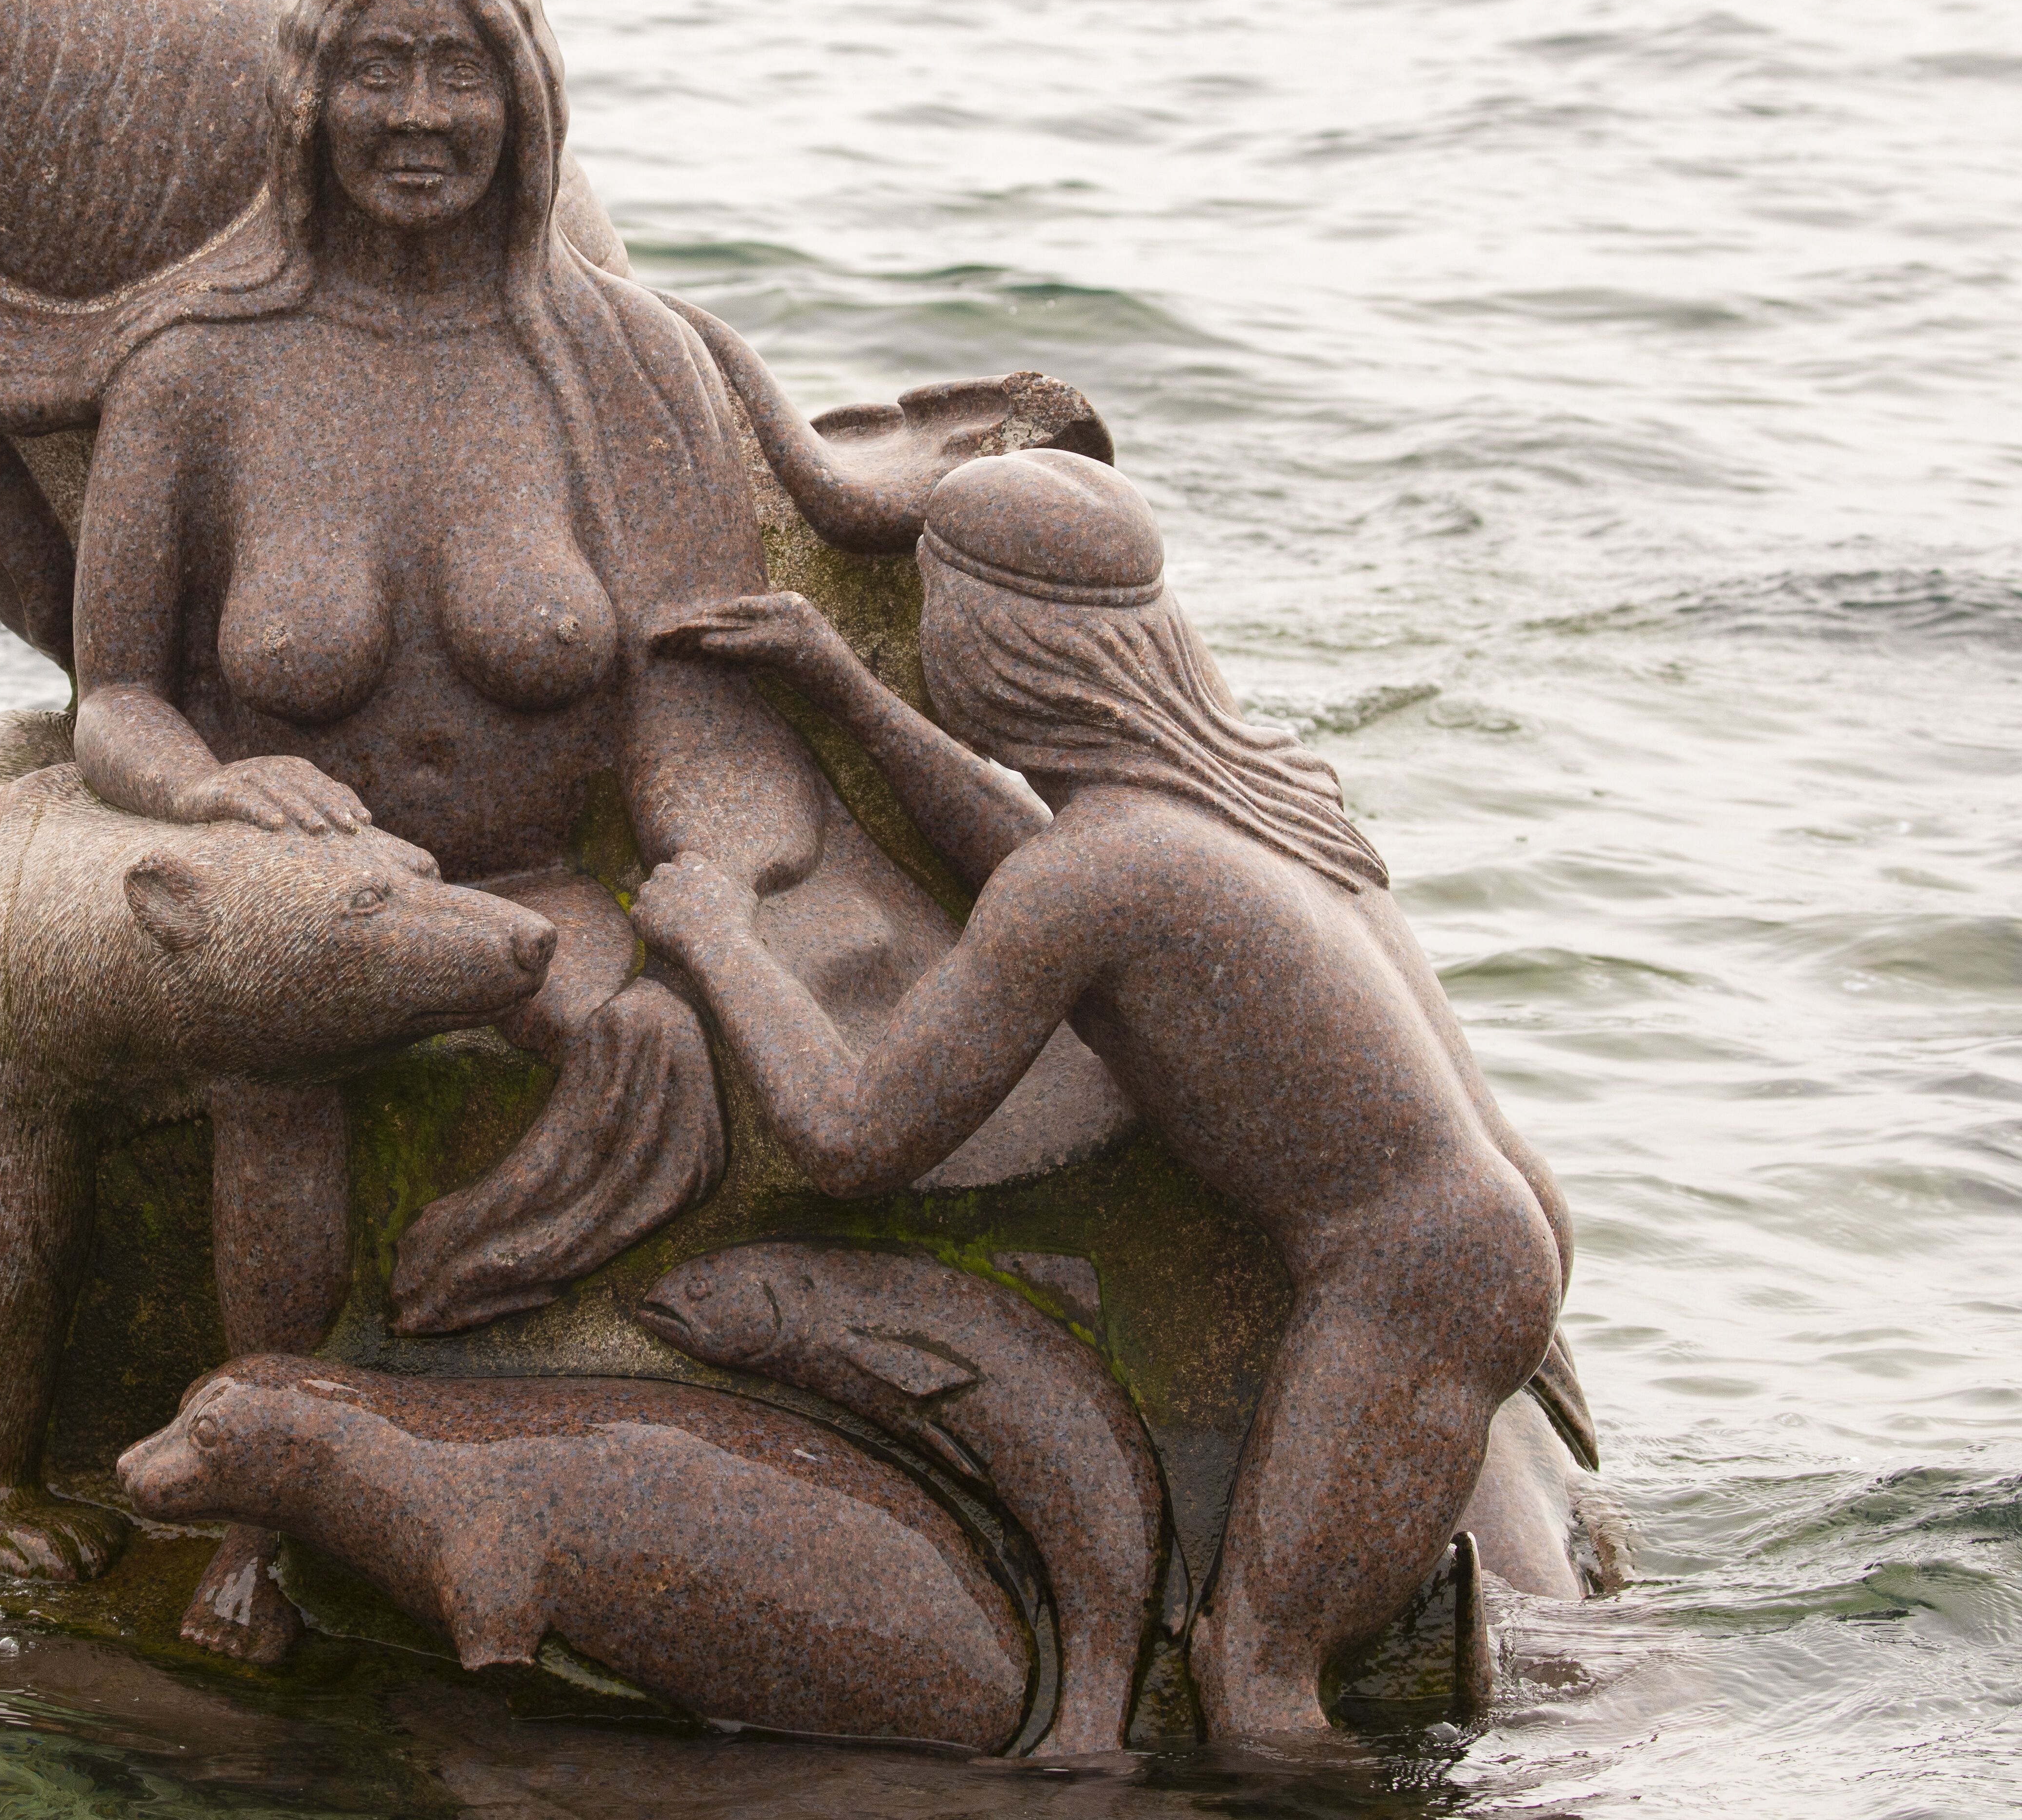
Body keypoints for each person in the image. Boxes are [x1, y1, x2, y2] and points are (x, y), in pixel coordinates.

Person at [70, 0, 955, 1653]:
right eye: (376, 71)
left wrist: (722, 887)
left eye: (459, 71)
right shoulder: (196, 371)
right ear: (308, 98)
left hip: (541, 875)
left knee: (671, 1040)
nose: (418, 115)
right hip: (302, 873)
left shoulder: (625, 364)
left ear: (526, 98)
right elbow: (115, 698)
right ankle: (264, 1488)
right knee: (278, 1046)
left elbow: (693, 697)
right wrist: (212, 797)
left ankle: (528, 1404)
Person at [630, 446, 1569, 1745]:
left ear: (987, 650)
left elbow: (850, 1136)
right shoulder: (1244, 797)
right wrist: (846, 689)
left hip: (1415, 1280)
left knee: (1255, 1687)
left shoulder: (1095, 879)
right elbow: (1039, 852)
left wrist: (719, 938)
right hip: (1485, 1231)